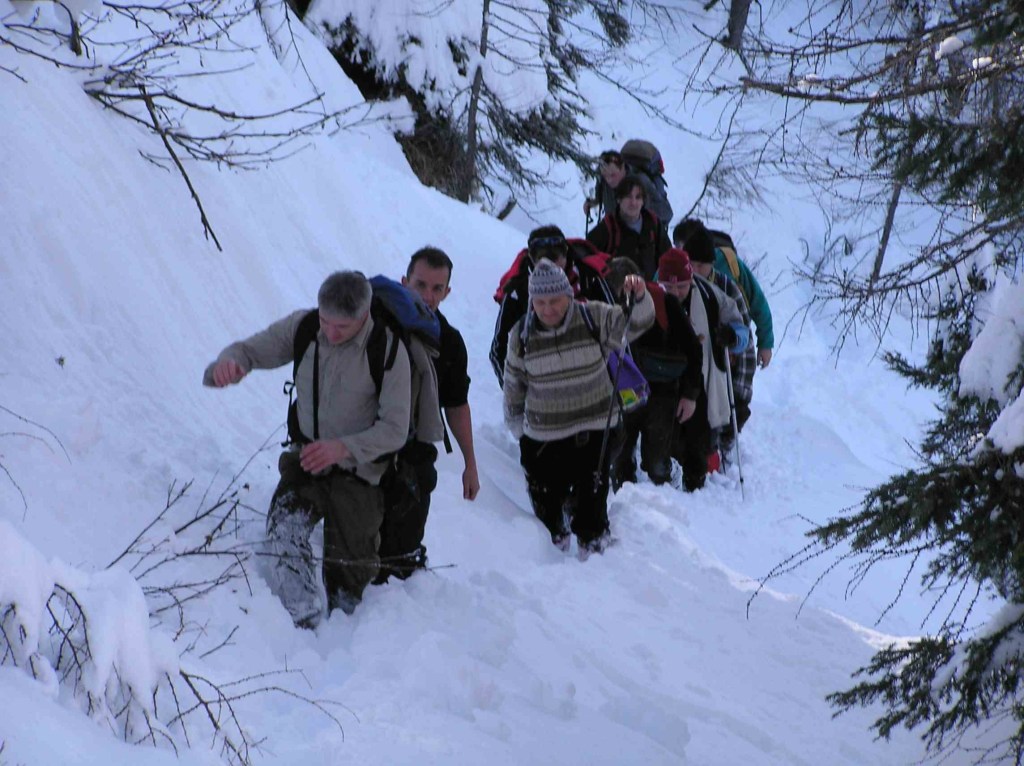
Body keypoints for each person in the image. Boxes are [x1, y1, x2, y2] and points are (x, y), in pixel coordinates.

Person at [203, 271, 411, 627]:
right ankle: (303, 618)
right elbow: (250, 351)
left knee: (349, 571)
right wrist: (229, 364)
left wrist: (342, 448)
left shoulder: (388, 350)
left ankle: (348, 634)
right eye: (325, 321)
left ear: (364, 316)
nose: (330, 332)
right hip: (308, 460)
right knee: (284, 526)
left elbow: (395, 430)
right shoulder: (304, 326)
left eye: (341, 327)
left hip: (360, 472)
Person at [503, 261, 655, 556]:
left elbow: (635, 323)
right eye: (540, 302)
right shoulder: (521, 335)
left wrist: (639, 296)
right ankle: (551, 549)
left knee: (592, 497)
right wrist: (516, 424)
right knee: (546, 500)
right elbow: (514, 383)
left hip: (594, 429)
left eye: (555, 301)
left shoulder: (592, 316)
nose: (548, 309)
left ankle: (594, 545)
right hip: (543, 436)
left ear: (568, 296)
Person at [375, 247, 479, 582]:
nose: (428, 296)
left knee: (401, 562)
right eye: (421, 285)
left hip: (414, 456)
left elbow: (456, 405)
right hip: (364, 442)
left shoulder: (449, 342)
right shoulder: (374, 322)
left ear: (447, 292)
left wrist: (470, 463)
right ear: (404, 281)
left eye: (437, 288)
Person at [603, 257, 703, 490]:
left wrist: (690, 395)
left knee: (656, 460)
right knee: (620, 454)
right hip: (625, 391)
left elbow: (693, 350)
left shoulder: (664, 302)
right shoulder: (606, 308)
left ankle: (667, 486)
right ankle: (626, 495)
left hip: (662, 391)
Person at [674, 219, 771, 455]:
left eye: (700, 265)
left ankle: (722, 441)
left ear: (712, 262)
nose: (695, 270)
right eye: (691, 264)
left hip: (723, 361)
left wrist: (761, 342)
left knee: (730, 408)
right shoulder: (676, 281)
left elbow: (752, 315)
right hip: (688, 363)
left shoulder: (727, 285)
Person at [655, 249, 749, 491]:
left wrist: (732, 336)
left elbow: (742, 332)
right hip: (660, 378)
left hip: (701, 379)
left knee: (698, 439)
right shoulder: (650, 295)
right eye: (668, 286)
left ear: (691, 280)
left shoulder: (710, 295)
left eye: (681, 287)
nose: (675, 293)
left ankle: (696, 486)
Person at [489, 225, 614, 388]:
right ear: (531, 259)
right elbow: (498, 349)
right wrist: (515, 393)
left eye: (555, 258)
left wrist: (622, 384)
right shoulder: (519, 288)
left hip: (593, 378)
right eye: (541, 259)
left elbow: (618, 328)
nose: (549, 268)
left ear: (566, 254)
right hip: (543, 385)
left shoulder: (588, 277)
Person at [586, 175, 672, 281]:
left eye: (638, 197)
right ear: (619, 199)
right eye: (628, 196)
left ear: (643, 201)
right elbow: (587, 259)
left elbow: (669, 258)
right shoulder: (607, 229)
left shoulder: (653, 224)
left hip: (651, 288)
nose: (633, 202)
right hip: (617, 290)